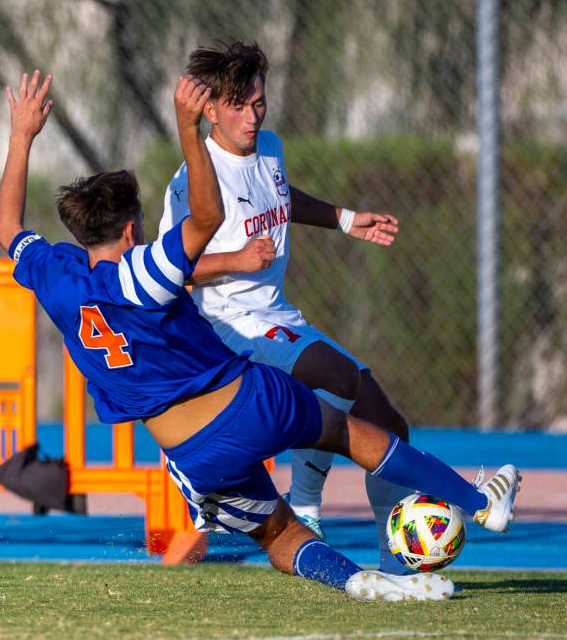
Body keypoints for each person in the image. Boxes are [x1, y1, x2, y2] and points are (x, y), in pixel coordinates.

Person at [0, 69, 520, 603]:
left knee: (278, 534)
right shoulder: (142, 271)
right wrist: (186, 126)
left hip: (193, 456)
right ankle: (478, 502)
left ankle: (361, 581)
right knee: (350, 432)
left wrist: (19, 137)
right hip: (248, 403)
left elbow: (7, 229)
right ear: (132, 229)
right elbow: (207, 218)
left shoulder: (56, 276)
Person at [157, 41, 417, 580]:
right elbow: (172, 268)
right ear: (210, 111)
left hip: (279, 315)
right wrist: (236, 257)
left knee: (388, 423)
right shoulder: (193, 180)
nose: (252, 117)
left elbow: (278, 193)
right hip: (229, 326)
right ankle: (304, 506)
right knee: (336, 374)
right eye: (239, 106)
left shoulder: (268, 146)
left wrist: (345, 219)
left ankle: (399, 561)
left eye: (259, 103)